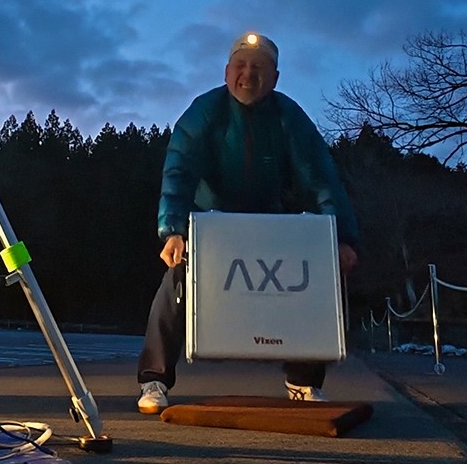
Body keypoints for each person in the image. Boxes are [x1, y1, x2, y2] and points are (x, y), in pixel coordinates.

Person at [136, 31, 361, 414]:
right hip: (210, 223)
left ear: (275, 77)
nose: (248, 75)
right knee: (176, 280)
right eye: (240, 66)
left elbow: (321, 178)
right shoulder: (204, 111)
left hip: (269, 222)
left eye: (259, 68)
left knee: (311, 274)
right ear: (226, 72)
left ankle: (303, 380)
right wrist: (172, 229)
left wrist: (341, 237)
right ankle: (154, 378)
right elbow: (179, 171)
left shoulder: (290, 117)